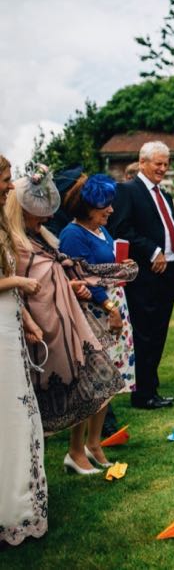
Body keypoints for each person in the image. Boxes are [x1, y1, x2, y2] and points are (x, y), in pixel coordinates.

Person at [7, 170, 125, 474]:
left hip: (68, 316)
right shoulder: (18, 243)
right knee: (75, 388)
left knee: (96, 381)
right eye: (40, 213)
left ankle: (86, 448)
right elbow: (28, 285)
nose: (47, 218)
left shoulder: (41, 237)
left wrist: (70, 286)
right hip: (46, 326)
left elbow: (54, 276)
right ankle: (72, 453)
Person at [58, 174, 139, 459]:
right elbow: (81, 278)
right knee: (91, 383)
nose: (112, 210)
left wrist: (120, 266)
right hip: (95, 313)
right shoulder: (73, 234)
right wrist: (110, 309)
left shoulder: (101, 229)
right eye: (106, 205)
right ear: (88, 207)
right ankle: (75, 450)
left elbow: (103, 267)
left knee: (108, 383)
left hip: (114, 306)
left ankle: (94, 444)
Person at [108, 141, 174, 410]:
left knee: (159, 334)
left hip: (168, 274)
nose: (163, 168)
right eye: (158, 164)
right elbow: (121, 229)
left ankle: (151, 387)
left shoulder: (165, 196)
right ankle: (142, 394)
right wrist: (152, 250)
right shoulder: (128, 190)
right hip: (146, 277)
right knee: (145, 335)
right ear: (142, 162)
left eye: (166, 164)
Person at [0, 154, 47, 545]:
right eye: (4, 179)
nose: (9, 186)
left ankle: (19, 506)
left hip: (9, 325)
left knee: (18, 414)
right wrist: (19, 281)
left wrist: (28, 321)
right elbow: (8, 279)